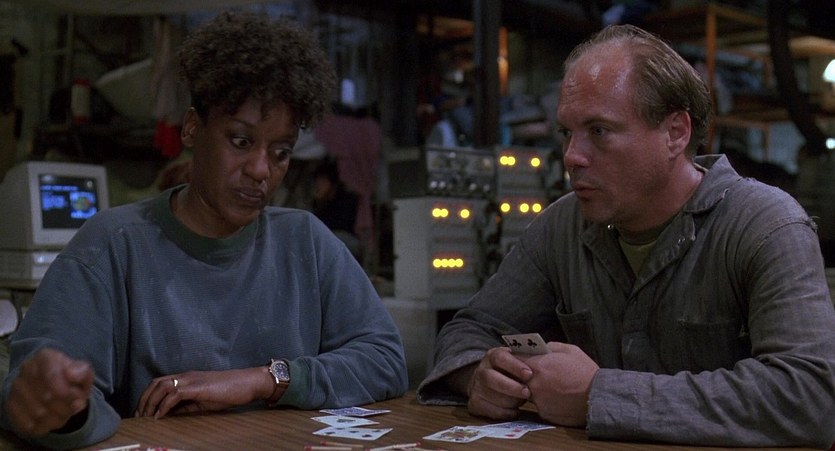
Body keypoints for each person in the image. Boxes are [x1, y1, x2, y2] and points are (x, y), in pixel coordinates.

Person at [0, 11, 408, 450]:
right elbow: (39, 394)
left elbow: (385, 360)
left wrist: (264, 380)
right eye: (241, 141)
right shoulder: (113, 245)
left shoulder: (305, 241)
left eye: (280, 152)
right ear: (193, 128)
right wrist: (62, 408)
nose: (261, 170)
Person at [417, 24, 835, 449]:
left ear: (676, 133)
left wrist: (597, 395)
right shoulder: (561, 227)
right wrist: (480, 376)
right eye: (566, 133)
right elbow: (467, 331)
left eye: (599, 131)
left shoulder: (765, 226)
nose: (572, 156)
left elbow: (810, 397)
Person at [311, 159, 362, 260]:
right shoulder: (321, 203)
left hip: (347, 239)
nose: (318, 185)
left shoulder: (345, 200)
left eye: (322, 181)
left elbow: (341, 225)